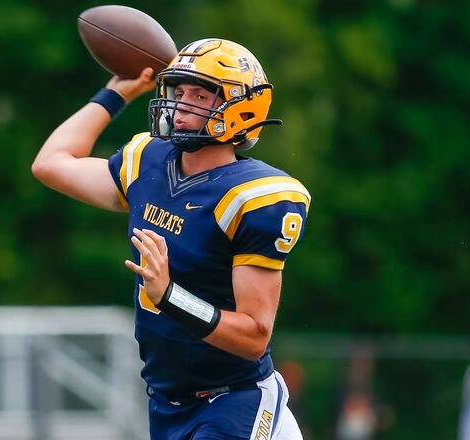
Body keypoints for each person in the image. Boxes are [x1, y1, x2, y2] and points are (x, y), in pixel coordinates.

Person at [33, 39, 309, 439]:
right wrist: (115, 93)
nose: (181, 107)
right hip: (166, 405)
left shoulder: (254, 197)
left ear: (240, 108)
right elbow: (51, 163)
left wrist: (170, 296)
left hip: (234, 402)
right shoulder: (149, 163)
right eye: (179, 94)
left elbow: (254, 336)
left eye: (200, 96)